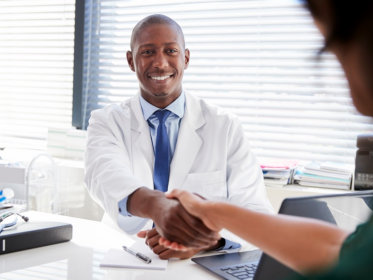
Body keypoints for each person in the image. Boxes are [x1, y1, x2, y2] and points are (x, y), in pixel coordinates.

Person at [160, 0, 373, 278]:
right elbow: (339, 247)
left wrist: (213, 230)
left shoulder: (225, 123)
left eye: (332, 38)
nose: (332, 54)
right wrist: (212, 212)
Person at [84, 14, 273, 260]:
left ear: (186, 58)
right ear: (131, 61)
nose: (160, 63)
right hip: (126, 257)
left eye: (170, 51)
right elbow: (104, 175)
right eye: (148, 52)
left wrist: (205, 240)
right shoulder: (107, 121)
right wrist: (159, 207)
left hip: (200, 264)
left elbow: (256, 211)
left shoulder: (225, 126)